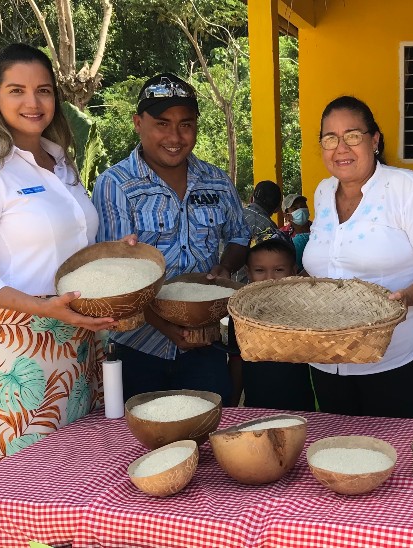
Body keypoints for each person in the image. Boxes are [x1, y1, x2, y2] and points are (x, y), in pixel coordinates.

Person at [0, 44, 121, 476]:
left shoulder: (62, 166)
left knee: (77, 480)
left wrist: (115, 252)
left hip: (78, 343)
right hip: (15, 352)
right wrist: (43, 307)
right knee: (25, 487)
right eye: (16, 90)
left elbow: (68, 249)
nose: (33, 102)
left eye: (43, 90)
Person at [92, 73, 249, 404]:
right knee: (142, 432)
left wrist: (225, 267)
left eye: (186, 124)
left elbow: (239, 235)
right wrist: (167, 328)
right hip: (139, 347)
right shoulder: (116, 184)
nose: (175, 137)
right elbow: (115, 273)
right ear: (138, 123)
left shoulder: (217, 182)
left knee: (210, 429)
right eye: (162, 124)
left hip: (205, 343)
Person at [302, 95, 413, 419]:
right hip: (326, 358)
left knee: (390, 447)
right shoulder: (322, 192)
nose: (341, 148)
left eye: (352, 136)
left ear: (374, 140)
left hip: (394, 357)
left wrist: (403, 299)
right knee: (338, 443)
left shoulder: (406, 188)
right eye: (330, 138)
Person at [226, 228, 316, 411]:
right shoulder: (240, 315)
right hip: (256, 410)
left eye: (279, 270)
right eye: (260, 270)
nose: (270, 278)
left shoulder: (307, 312)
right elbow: (236, 362)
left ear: (294, 271)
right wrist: (232, 407)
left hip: (305, 411)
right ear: (248, 272)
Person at [281, 193, 311, 272]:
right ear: (286, 215)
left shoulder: (318, 230)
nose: (301, 210)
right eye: (295, 208)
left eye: (303, 206)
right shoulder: (282, 235)